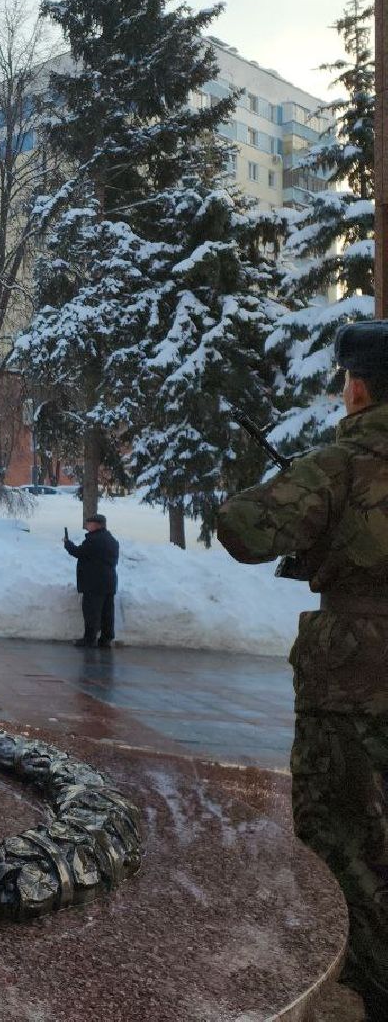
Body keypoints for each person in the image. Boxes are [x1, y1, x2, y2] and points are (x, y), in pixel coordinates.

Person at [216, 319, 388, 1014]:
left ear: (356, 388)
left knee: (345, 838)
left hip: (353, 680)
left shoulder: (342, 463)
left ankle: (365, 988)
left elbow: (244, 528)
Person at [63, 513, 119, 647]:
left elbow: (79, 552)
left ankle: (89, 639)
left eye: (89, 523)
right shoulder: (111, 539)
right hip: (109, 582)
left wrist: (67, 544)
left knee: (92, 612)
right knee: (107, 612)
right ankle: (106, 639)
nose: (87, 525)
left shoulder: (94, 540)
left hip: (94, 583)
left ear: (96, 525)